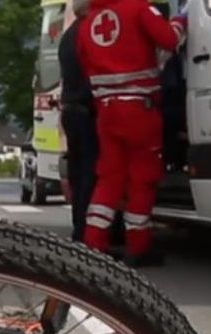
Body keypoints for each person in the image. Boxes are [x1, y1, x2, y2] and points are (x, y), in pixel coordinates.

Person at [77, 0, 186, 266]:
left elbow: (85, 66)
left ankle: (94, 245)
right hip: (139, 109)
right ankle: (138, 246)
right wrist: (181, 21)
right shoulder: (138, 8)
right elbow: (170, 40)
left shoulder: (87, 24)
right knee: (142, 179)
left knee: (109, 179)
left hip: (106, 111)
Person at [58, 0, 98, 243]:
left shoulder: (67, 36)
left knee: (78, 172)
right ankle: (86, 233)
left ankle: (79, 229)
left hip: (71, 110)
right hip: (85, 110)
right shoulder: (86, 32)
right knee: (90, 175)